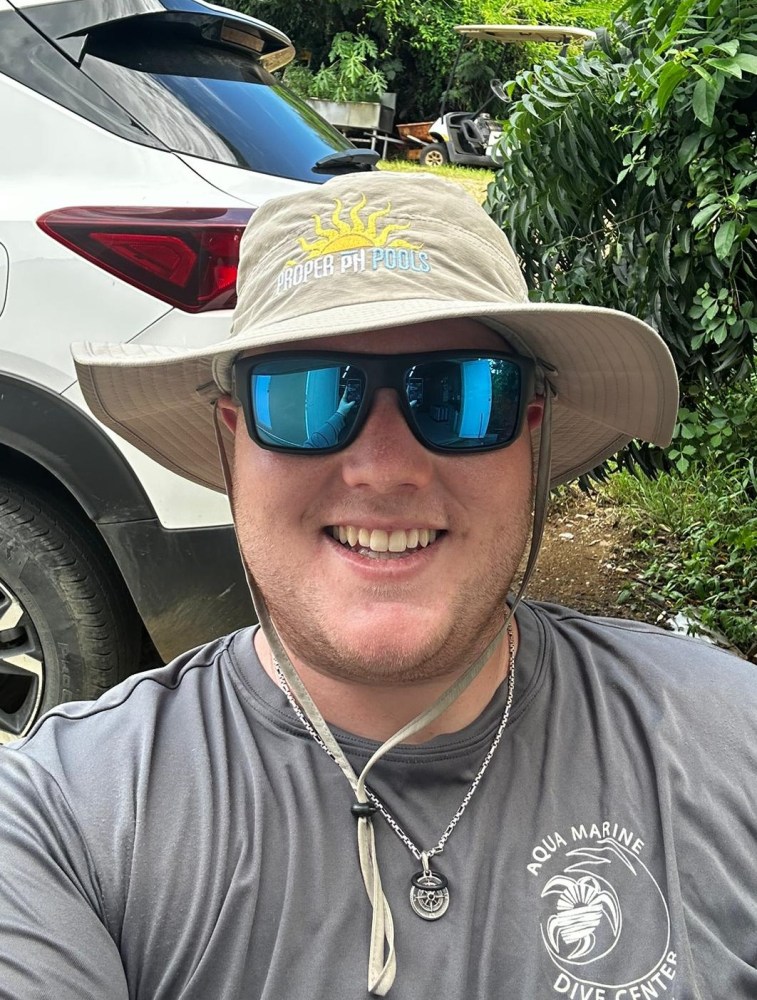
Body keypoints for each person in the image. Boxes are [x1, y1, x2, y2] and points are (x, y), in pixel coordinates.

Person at [0, 172, 755, 1000]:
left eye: (461, 394)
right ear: (233, 439)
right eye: (308, 394)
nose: (384, 468)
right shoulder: (64, 820)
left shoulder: (728, 743)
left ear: (526, 433)